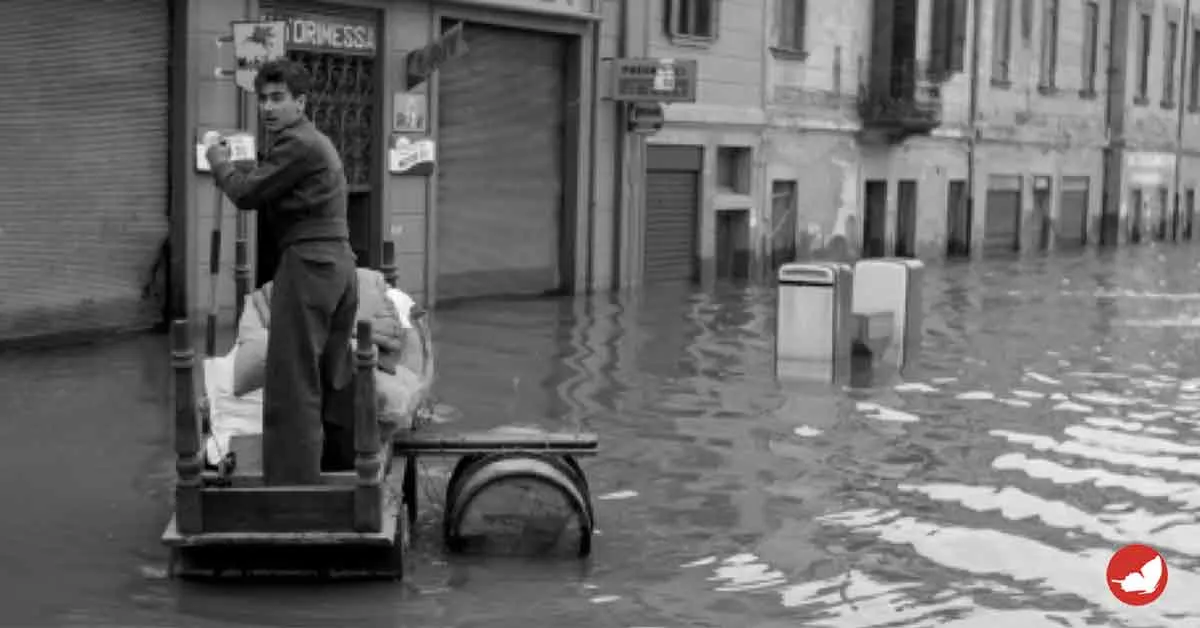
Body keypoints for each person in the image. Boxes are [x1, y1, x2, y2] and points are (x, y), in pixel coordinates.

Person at [206, 59, 358, 485]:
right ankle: (341, 474)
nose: (268, 108)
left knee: (292, 379)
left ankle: (294, 489)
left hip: (311, 265)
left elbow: (246, 193)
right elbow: (267, 178)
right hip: (336, 265)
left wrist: (217, 160)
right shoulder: (306, 143)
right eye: (263, 100)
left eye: (278, 99)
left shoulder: (299, 144)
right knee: (331, 373)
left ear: (301, 103)